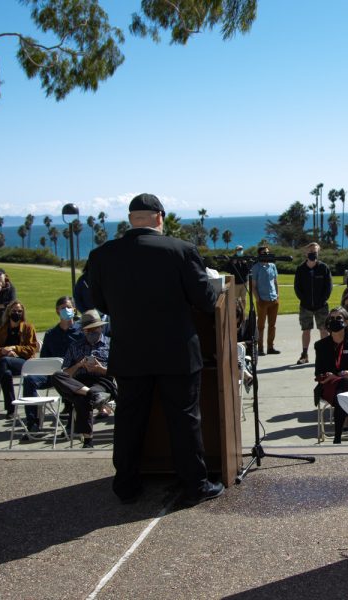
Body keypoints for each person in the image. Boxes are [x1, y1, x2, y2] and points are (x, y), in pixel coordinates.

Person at [87, 192, 223, 506]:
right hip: (176, 351)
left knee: (130, 420)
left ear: (131, 218)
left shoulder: (103, 255)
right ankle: (195, 484)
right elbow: (205, 300)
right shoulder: (181, 250)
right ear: (159, 217)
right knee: (184, 419)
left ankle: (126, 484)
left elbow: (100, 303)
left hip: (130, 352)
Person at [51, 310, 117, 449]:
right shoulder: (75, 346)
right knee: (57, 376)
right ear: (83, 331)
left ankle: (88, 441)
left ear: (101, 327)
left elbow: (119, 371)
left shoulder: (111, 344)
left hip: (102, 382)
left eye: (95, 329)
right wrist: (78, 365)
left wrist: (100, 369)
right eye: (88, 330)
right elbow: (66, 373)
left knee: (82, 399)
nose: (92, 332)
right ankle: (90, 394)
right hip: (79, 382)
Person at [21, 296, 83, 434]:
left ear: (74, 309)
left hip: (74, 374)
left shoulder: (82, 333)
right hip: (54, 374)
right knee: (30, 379)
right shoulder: (51, 334)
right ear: (57, 311)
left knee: (76, 381)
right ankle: (33, 423)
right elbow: (44, 360)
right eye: (62, 308)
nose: (66, 310)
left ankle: (72, 423)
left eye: (68, 307)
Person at [313, 307, 348, 444]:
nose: (334, 321)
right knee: (345, 385)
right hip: (330, 386)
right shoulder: (321, 345)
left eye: (338, 318)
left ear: (347, 322)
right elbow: (318, 373)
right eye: (331, 319)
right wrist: (333, 376)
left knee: (345, 386)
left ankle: (337, 439)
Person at [293, 241, 333, 365]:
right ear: (306, 253)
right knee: (306, 330)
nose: (313, 254)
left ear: (318, 252)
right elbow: (297, 287)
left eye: (315, 252)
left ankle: (326, 354)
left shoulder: (323, 268)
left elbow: (329, 287)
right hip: (305, 306)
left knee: (324, 330)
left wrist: (323, 300)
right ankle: (304, 355)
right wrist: (304, 300)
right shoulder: (301, 269)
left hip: (321, 306)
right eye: (310, 252)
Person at [224, 244, 251, 313]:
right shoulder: (232, 259)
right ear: (235, 251)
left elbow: (248, 271)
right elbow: (228, 270)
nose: (240, 251)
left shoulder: (244, 258)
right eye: (238, 250)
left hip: (244, 283)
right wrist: (233, 264)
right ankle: (236, 313)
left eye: (241, 249)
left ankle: (243, 312)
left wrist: (245, 263)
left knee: (243, 299)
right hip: (236, 283)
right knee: (235, 299)